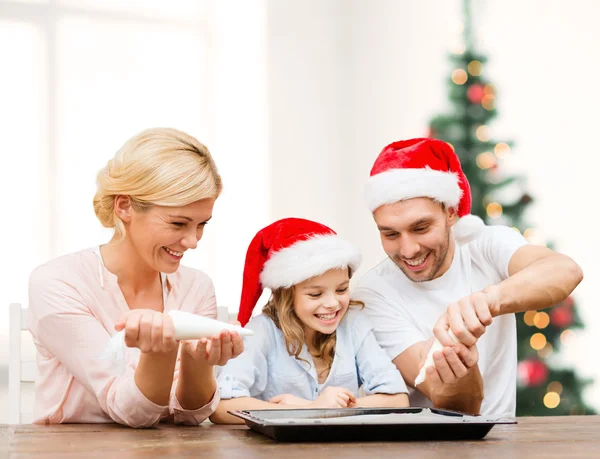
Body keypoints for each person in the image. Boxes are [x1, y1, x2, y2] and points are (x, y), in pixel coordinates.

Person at [28, 128, 243, 427]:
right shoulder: (58, 282)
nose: (193, 241)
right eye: (178, 223)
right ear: (125, 206)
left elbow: (190, 415)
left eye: (201, 224)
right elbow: (130, 411)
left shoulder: (198, 287)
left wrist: (198, 362)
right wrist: (160, 352)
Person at [353, 138, 583, 415]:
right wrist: (461, 366)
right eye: (390, 234)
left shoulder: (485, 245)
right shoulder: (372, 293)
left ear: (450, 212)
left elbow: (565, 270)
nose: (408, 249)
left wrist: (488, 300)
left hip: (502, 441)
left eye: (421, 227)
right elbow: (453, 406)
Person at [210, 218, 409, 424]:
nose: (333, 303)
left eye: (341, 289)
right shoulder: (262, 330)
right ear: (286, 295)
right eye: (315, 294)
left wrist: (325, 409)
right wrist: (312, 408)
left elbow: (398, 399)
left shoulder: (354, 323)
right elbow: (222, 407)